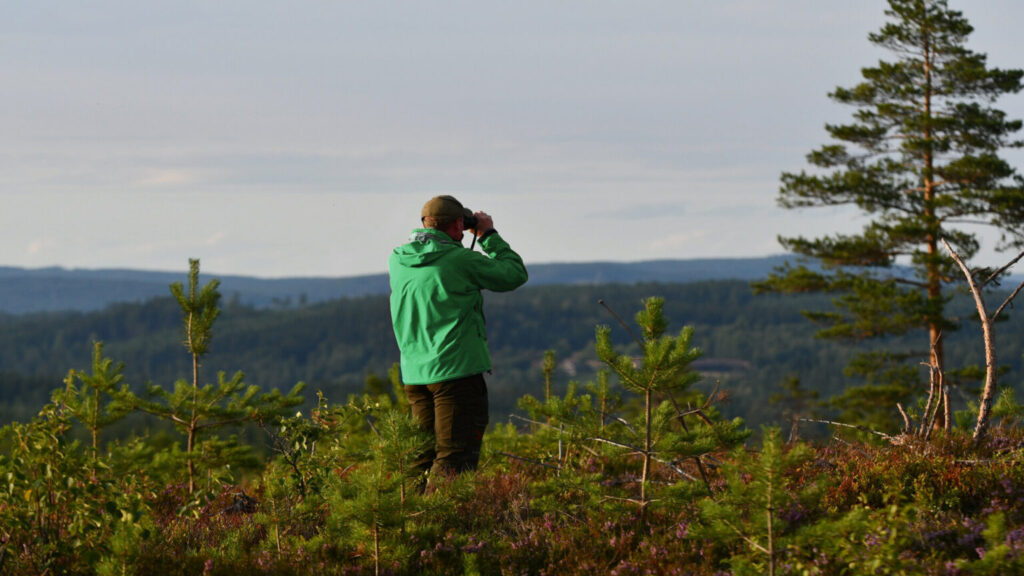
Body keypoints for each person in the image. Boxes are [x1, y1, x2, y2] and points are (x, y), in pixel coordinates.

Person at [388, 195, 528, 482]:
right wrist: (487, 235)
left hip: (416, 376)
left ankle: (408, 522)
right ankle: (444, 523)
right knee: (454, 457)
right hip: (456, 373)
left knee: (420, 457)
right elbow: (514, 274)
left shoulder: (398, 260)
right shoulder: (460, 260)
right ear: (456, 226)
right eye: (462, 226)